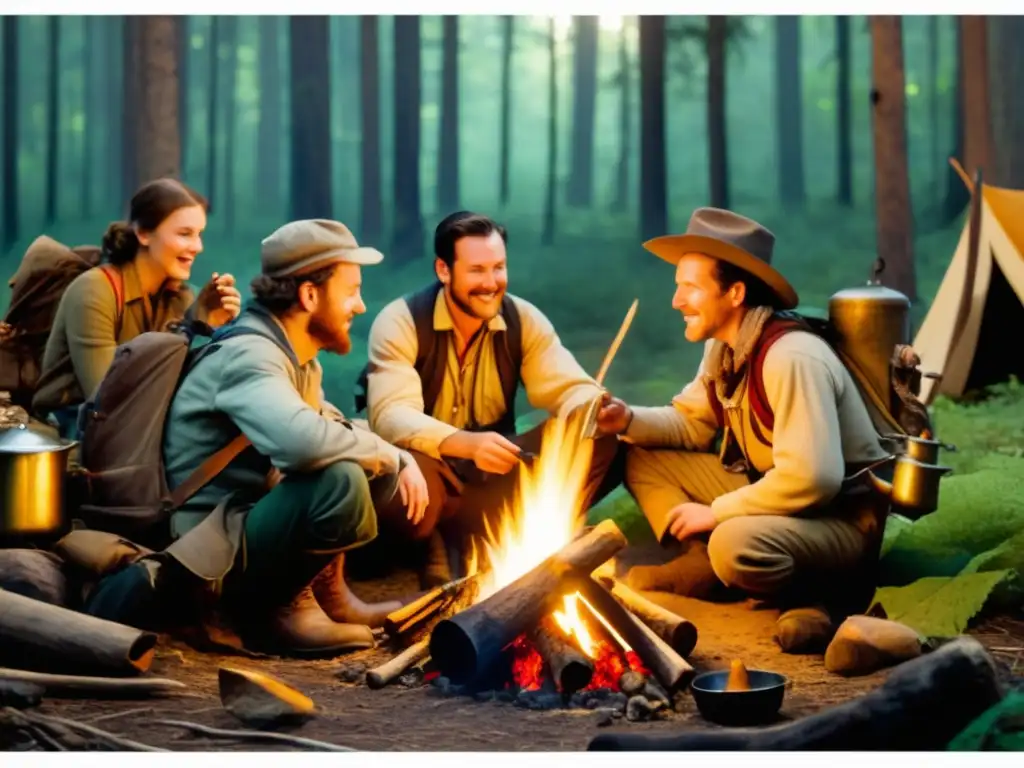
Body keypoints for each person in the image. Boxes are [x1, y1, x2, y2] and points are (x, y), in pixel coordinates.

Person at [97, 218, 428, 658]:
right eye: (351, 291)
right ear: (310, 295)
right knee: (340, 481)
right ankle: (277, 610)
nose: (360, 305)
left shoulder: (293, 356)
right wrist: (391, 456)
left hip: (240, 522)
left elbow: (324, 424)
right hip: (208, 547)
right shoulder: (252, 354)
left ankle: (326, 596)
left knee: (366, 459)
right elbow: (303, 443)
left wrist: (390, 454)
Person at [595, 207, 891, 653]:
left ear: (734, 292)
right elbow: (692, 426)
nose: (676, 301)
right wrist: (627, 420)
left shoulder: (792, 356)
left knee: (734, 542)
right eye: (678, 287)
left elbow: (814, 479)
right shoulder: (726, 348)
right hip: (778, 503)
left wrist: (716, 512)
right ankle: (704, 564)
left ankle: (815, 602)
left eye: (690, 288)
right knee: (641, 449)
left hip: (839, 522)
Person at [363, 211, 623, 585]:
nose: (491, 283)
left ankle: (510, 536)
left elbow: (566, 386)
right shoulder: (401, 321)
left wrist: (591, 405)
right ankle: (432, 543)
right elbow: (390, 415)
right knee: (405, 496)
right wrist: (465, 444)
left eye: (498, 268)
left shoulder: (523, 319)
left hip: (495, 472)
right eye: (477, 270)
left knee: (601, 441)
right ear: (444, 270)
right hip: (431, 471)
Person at [31, 178, 242, 436]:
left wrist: (211, 325)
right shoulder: (94, 290)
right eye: (184, 234)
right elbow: (106, 396)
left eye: (199, 234)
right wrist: (187, 329)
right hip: (70, 435)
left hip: (140, 434)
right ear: (143, 233)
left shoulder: (181, 297)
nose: (197, 247)